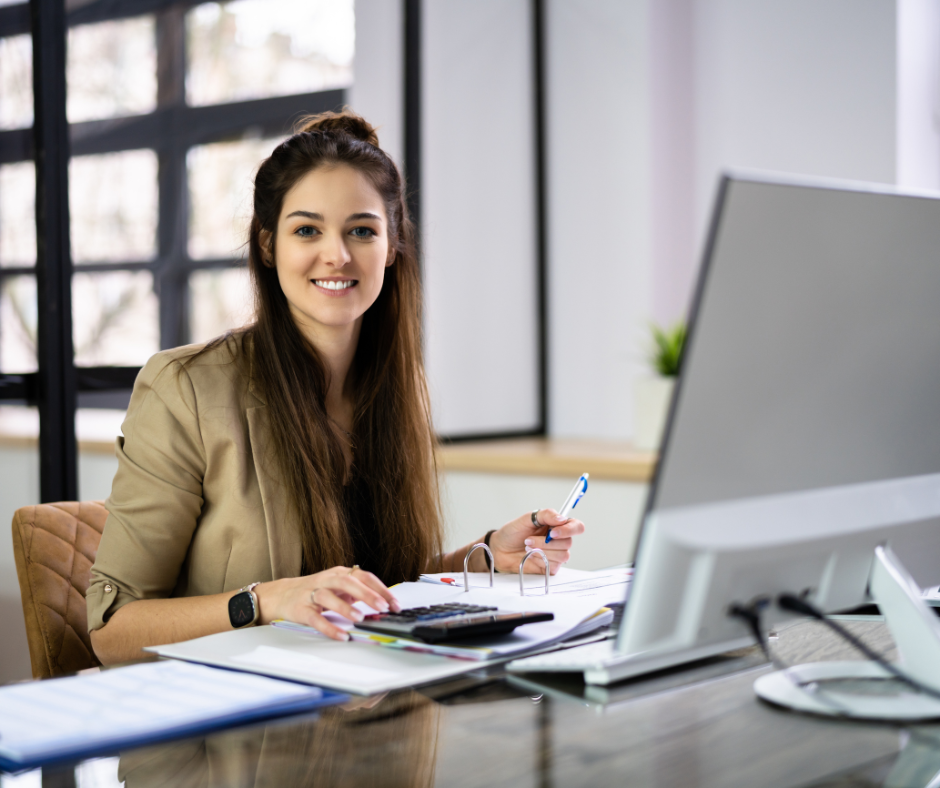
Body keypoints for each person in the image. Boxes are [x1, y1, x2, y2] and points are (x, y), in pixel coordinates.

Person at [87, 110, 586, 664]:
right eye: (307, 230)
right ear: (269, 245)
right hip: (235, 731)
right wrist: (265, 601)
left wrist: (486, 555)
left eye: (361, 230)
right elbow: (112, 632)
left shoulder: (396, 387)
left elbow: (385, 588)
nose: (338, 255)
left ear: (392, 245)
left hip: (373, 710)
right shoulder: (186, 388)